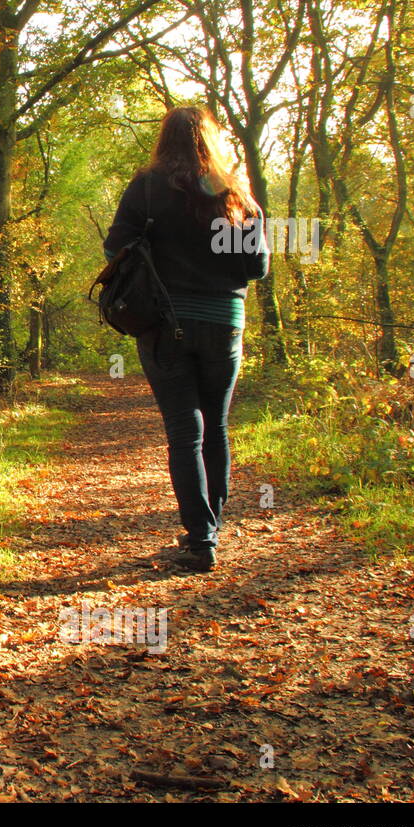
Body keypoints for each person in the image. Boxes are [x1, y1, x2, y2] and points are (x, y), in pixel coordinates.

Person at [102, 106, 269, 572]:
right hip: (224, 324)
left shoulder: (147, 188)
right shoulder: (235, 192)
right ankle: (210, 529)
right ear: (212, 139)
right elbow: (256, 268)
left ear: (164, 139)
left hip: (164, 324)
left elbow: (115, 249)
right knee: (214, 428)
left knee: (184, 433)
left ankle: (200, 539)